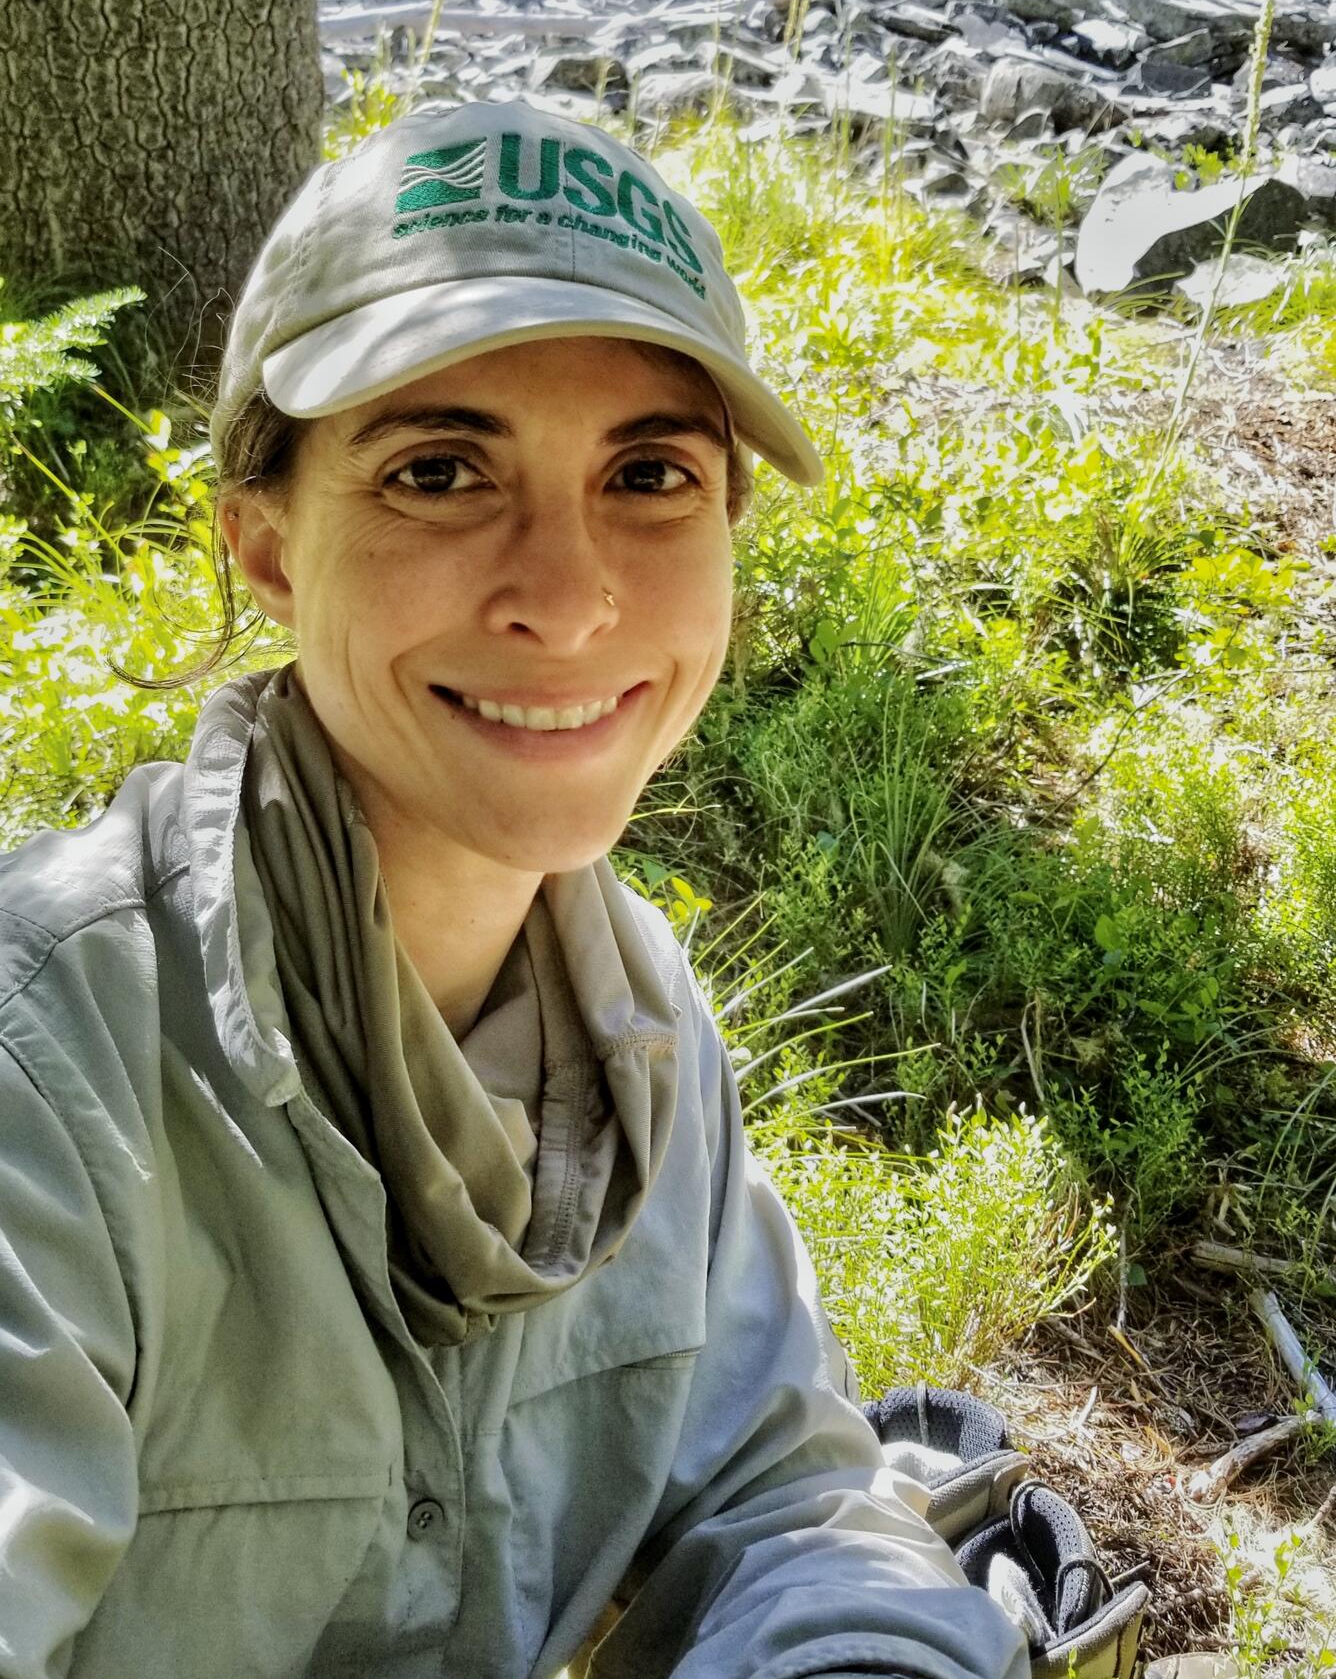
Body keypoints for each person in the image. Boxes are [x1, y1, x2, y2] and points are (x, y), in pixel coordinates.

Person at [0, 98, 1028, 1679]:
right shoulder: (53, 1073)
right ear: (269, 550)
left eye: (653, 475)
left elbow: (779, 1496)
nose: (566, 594)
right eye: (436, 470)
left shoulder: (638, 1030)